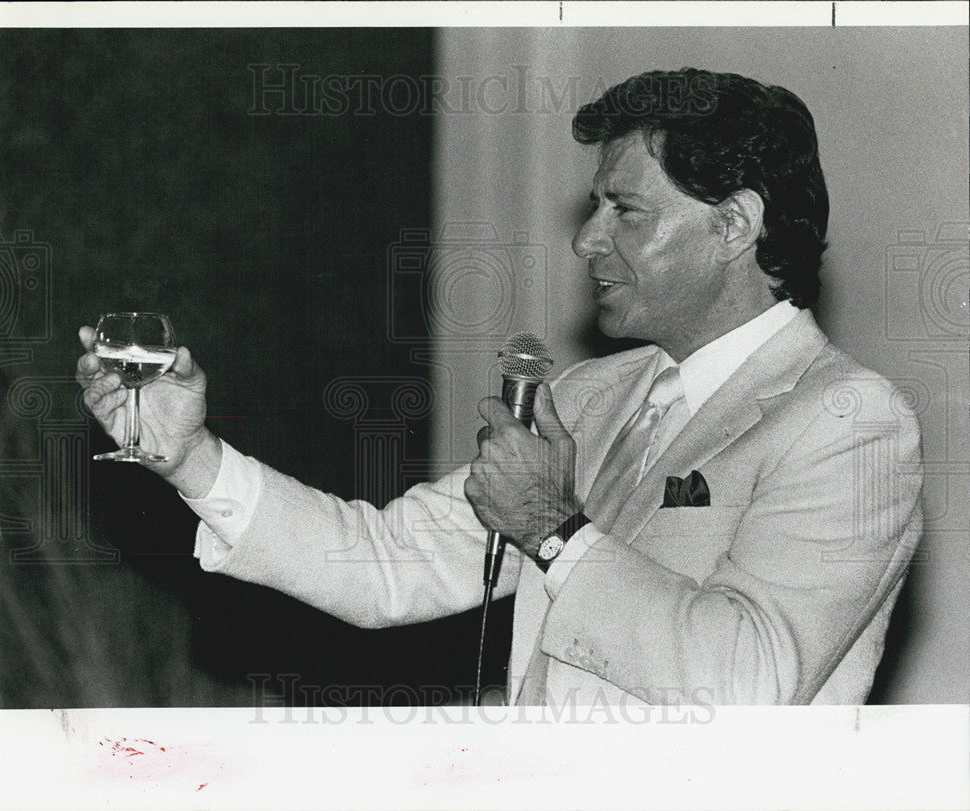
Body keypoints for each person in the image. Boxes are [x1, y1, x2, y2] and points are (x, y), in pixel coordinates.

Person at [77, 68, 923, 706]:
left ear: (735, 223)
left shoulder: (849, 421)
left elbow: (749, 680)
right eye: (593, 208)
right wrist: (189, 456)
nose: (587, 241)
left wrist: (553, 530)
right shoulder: (596, 396)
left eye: (624, 211)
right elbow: (383, 564)